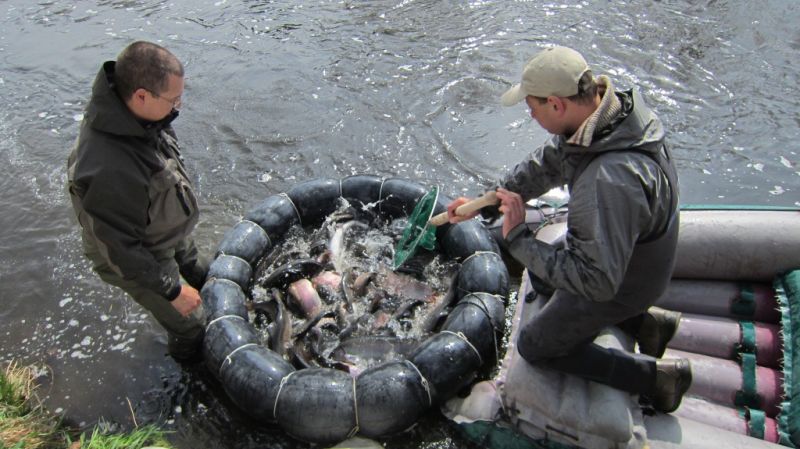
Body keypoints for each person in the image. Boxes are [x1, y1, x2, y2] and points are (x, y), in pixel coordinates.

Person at [447, 46, 691, 413]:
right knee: (543, 276)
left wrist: (516, 237)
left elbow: (595, 281)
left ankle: (658, 378)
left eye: (533, 108)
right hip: (630, 257)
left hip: (626, 281)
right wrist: (486, 202)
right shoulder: (608, 118)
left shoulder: (607, 182)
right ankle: (649, 326)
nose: (531, 115)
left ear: (557, 104)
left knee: (536, 346)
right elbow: (548, 164)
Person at [67, 41, 207, 362]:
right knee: (192, 326)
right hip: (138, 255)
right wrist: (172, 292)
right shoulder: (106, 166)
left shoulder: (144, 116)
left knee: (203, 274)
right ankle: (187, 374)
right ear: (142, 95)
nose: (178, 107)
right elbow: (122, 252)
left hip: (164, 226)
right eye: (173, 100)